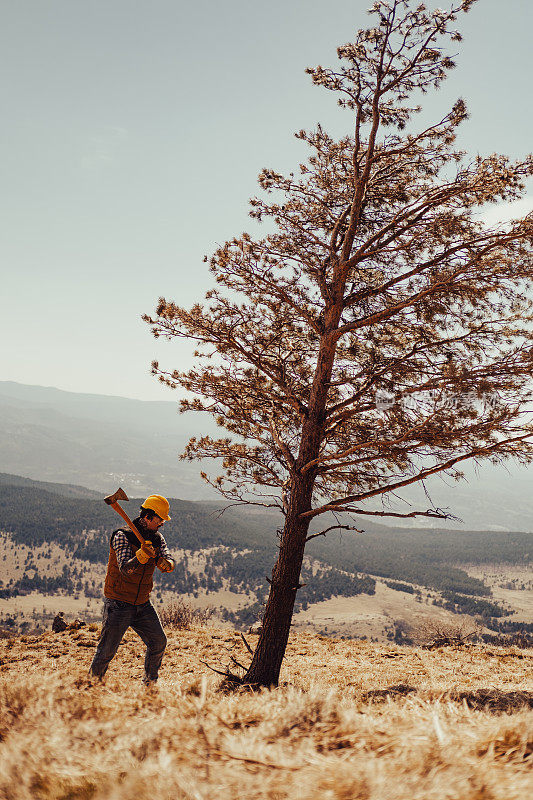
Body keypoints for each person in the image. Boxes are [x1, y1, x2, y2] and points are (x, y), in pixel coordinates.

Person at [89, 494, 175, 685]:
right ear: (148, 517)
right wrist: (141, 557)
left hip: (142, 603)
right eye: (160, 518)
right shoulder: (122, 536)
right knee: (107, 651)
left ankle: (150, 683)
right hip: (119, 603)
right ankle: (91, 686)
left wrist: (166, 563)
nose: (162, 523)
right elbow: (125, 569)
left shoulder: (157, 539)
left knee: (159, 642)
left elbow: (169, 559)